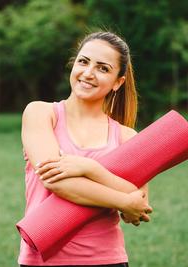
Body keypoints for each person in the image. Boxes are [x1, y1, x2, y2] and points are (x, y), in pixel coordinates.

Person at [18, 31, 153, 267]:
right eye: (83, 61)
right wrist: (123, 200)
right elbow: (55, 181)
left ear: (117, 82)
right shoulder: (41, 113)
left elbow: (138, 206)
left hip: (106, 260)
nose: (88, 73)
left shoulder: (127, 136)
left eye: (103, 68)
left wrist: (90, 169)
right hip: (42, 258)